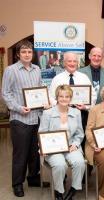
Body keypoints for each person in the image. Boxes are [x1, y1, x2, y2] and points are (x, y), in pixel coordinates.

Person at [2, 40, 48, 197]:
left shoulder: (37, 69)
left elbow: (40, 88)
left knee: (34, 151)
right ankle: (17, 183)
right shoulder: (11, 70)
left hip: (36, 117)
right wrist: (19, 108)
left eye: (29, 52)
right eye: (24, 52)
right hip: (20, 118)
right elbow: (5, 94)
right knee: (20, 153)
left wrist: (45, 100)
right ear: (17, 54)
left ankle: (33, 177)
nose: (27, 54)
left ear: (32, 54)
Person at [39, 85, 85, 200]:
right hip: (53, 148)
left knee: (79, 162)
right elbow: (42, 133)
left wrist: (75, 144)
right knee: (60, 165)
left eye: (67, 96)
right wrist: (43, 148)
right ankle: (58, 191)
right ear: (57, 97)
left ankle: (73, 189)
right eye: (61, 96)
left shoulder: (76, 113)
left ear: (70, 98)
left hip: (70, 146)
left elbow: (79, 134)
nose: (64, 99)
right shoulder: (47, 113)